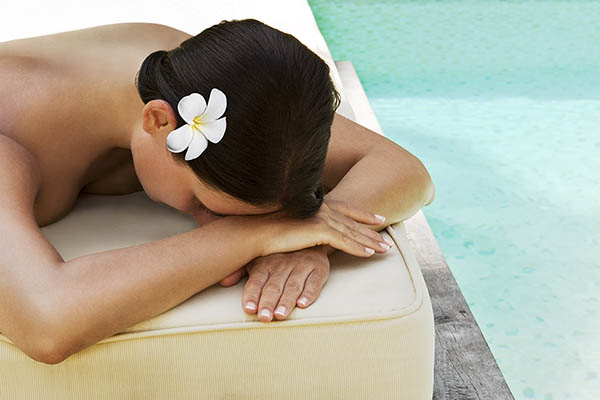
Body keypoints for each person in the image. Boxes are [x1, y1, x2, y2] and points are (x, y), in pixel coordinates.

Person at [0, 19, 435, 364]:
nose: (215, 218)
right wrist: (256, 236)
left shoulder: (193, 81)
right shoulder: (9, 140)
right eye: (205, 205)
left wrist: (316, 236)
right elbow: (45, 321)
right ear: (158, 122)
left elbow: (404, 168)